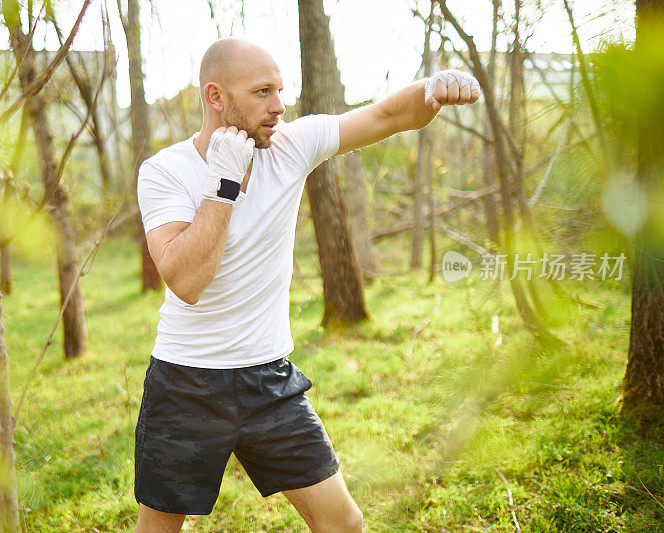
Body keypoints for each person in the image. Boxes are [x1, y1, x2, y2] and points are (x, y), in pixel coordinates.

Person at [134, 37, 480, 532]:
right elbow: (187, 281)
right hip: (186, 382)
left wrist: (432, 90)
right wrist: (223, 183)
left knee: (344, 525)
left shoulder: (292, 145)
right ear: (216, 97)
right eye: (261, 92)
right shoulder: (166, 171)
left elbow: (387, 116)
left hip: (267, 380)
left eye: (280, 90)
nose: (279, 106)